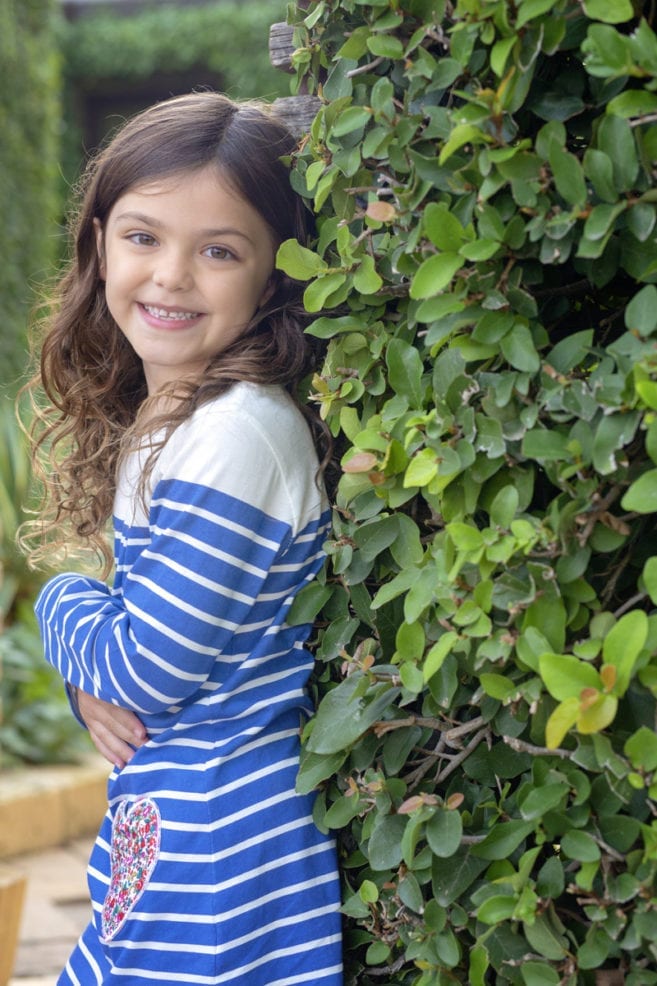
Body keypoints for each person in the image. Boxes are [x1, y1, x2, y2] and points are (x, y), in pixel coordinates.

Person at [22, 91, 343, 985]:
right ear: (97, 243)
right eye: (142, 237)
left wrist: (62, 605)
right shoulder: (182, 417)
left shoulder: (235, 432)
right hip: (179, 825)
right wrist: (99, 681)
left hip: (220, 855)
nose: (170, 275)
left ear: (275, 273)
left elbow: (147, 672)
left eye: (218, 251)